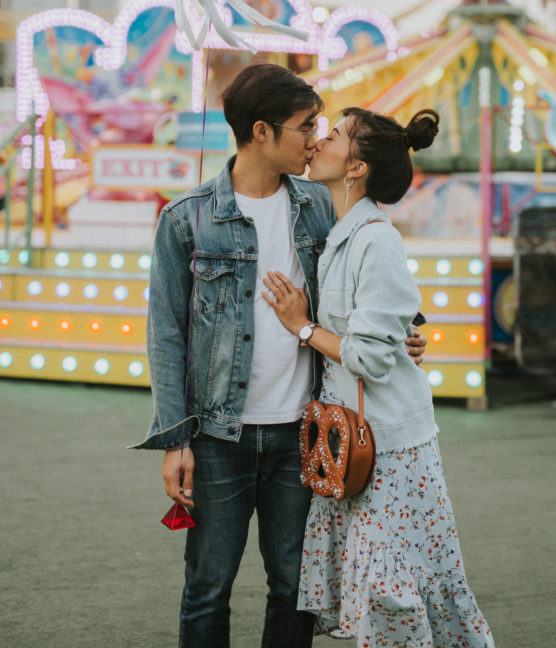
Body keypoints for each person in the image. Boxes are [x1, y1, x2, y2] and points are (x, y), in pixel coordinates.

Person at [133, 63, 426, 648]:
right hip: (218, 436)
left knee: (295, 587)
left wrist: (408, 331)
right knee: (208, 586)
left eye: (320, 126)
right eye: (306, 126)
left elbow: (369, 278)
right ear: (261, 131)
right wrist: (175, 441)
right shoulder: (185, 218)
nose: (316, 138)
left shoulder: (321, 204)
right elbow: (165, 335)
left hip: (304, 431)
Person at [263, 106, 496, 648]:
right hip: (355, 439)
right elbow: (383, 324)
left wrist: (302, 327)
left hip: (388, 447)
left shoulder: (375, 240)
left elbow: (368, 358)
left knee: (393, 589)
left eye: (334, 135)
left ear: (356, 167)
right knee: (386, 587)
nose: (319, 141)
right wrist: (403, 334)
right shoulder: (342, 230)